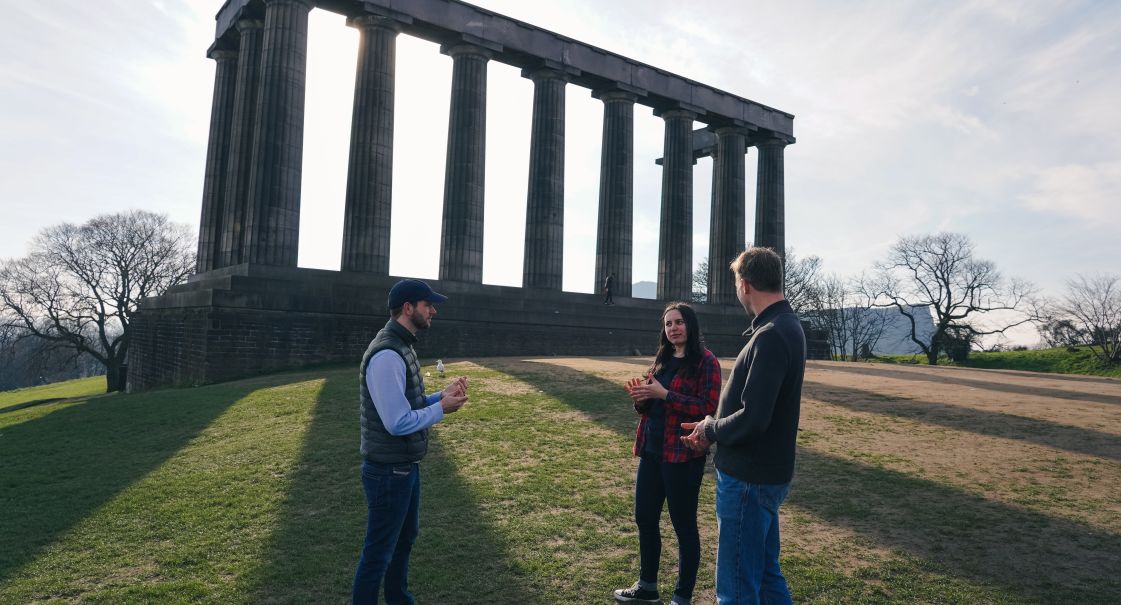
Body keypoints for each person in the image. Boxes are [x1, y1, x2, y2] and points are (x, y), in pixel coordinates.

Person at [682, 247, 806, 605]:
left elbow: (754, 417)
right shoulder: (786, 326)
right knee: (766, 575)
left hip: (749, 478)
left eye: (737, 281)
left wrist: (710, 430)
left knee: (736, 587)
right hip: (765, 474)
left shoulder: (771, 334)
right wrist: (713, 422)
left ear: (745, 284)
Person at [352, 278, 469, 605]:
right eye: (427, 304)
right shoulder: (387, 354)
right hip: (389, 474)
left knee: (402, 544)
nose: (433, 310)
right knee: (378, 554)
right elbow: (396, 422)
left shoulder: (401, 346)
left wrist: (439, 396)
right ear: (408, 308)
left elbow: (407, 403)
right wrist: (441, 409)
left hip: (403, 470)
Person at [615, 302, 722, 605]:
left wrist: (664, 394)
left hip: (683, 455)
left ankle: (682, 597)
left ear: (690, 325)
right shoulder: (661, 360)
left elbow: (707, 409)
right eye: (668, 324)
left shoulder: (706, 362)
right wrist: (642, 398)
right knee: (645, 518)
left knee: (683, 525)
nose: (673, 328)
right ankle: (647, 587)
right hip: (652, 450)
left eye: (678, 322)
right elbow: (651, 407)